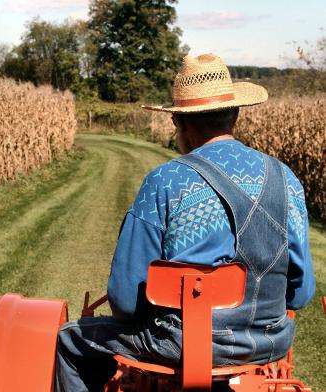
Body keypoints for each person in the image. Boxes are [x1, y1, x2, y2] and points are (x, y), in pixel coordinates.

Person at [53, 54, 316, 392]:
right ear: (234, 114)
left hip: (181, 346)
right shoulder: (287, 180)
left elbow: (124, 302)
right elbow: (301, 293)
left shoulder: (164, 183)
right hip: (269, 342)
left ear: (178, 122)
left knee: (68, 341)